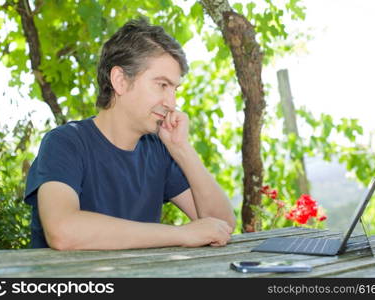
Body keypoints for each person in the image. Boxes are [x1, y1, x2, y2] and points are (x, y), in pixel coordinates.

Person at [24, 17, 236, 250]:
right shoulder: (65, 142)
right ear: (120, 81)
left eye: (175, 89)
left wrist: (182, 149)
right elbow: (63, 231)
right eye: (162, 85)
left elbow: (221, 226)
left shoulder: (159, 150)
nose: (172, 103)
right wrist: (181, 234)